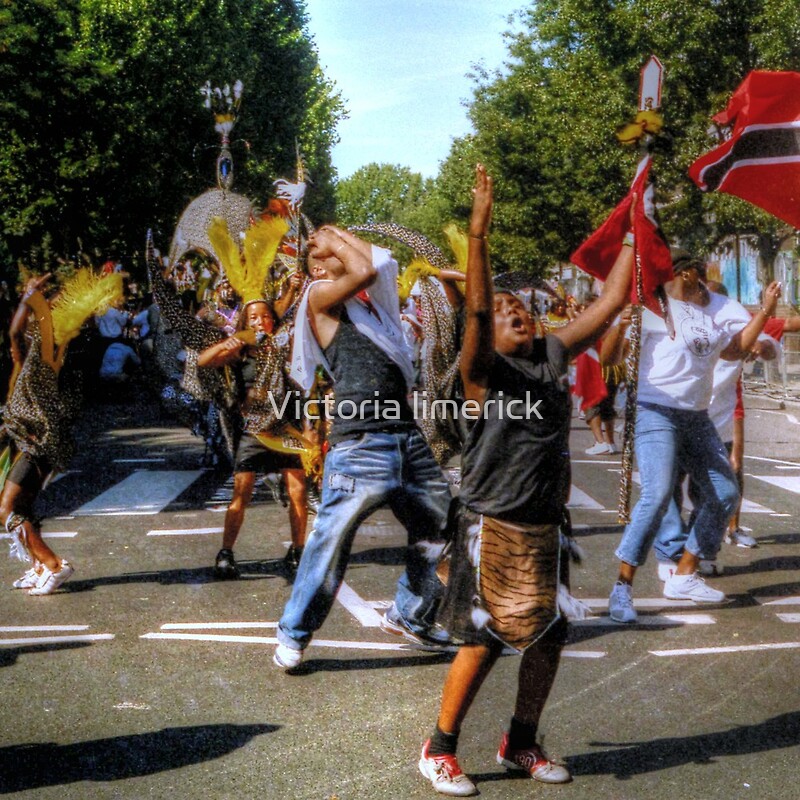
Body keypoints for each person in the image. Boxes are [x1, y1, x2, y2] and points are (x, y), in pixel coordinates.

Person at [416, 165, 633, 796]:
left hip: (545, 526)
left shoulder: (552, 357)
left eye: (522, 309)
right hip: (492, 526)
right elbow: (478, 310)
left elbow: (613, 301)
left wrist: (634, 223)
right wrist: (478, 235)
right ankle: (440, 747)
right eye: (504, 311)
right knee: (485, 641)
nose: (515, 314)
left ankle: (522, 741)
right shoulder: (482, 373)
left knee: (547, 638)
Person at [272, 222, 453, 671]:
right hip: (361, 440)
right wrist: (331, 241)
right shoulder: (318, 297)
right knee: (331, 541)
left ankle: (409, 613)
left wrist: (335, 232)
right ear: (317, 266)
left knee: (444, 523)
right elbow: (367, 269)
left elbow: (380, 262)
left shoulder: (374, 311)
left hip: (406, 435)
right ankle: (293, 632)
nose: (344, 252)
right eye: (331, 252)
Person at [603, 251, 781, 623]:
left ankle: (685, 573)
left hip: (697, 416)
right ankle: (622, 587)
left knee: (725, 492)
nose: (699, 284)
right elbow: (609, 358)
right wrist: (621, 322)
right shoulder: (652, 307)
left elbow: (735, 349)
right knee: (657, 494)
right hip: (656, 410)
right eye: (695, 277)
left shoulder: (713, 310)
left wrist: (764, 311)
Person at [2, 269, 123, 594]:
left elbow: (15, 335)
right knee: (22, 508)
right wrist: (31, 301)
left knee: (7, 510)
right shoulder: (38, 357)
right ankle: (39, 565)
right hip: (36, 441)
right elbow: (15, 337)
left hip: (37, 444)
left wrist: (30, 300)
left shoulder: (47, 355)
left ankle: (55, 565)